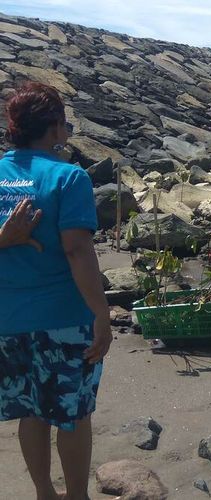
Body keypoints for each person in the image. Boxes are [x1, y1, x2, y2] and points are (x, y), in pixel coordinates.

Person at [0, 82, 112, 500]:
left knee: (30, 410)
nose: (66, 130)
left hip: (8, 320)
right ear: (51, 128)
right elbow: (77, 249)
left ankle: (45, 493)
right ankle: (77, 497)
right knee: (72, 413)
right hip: (64, 318)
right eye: (65, 123)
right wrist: (101, 314)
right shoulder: (68, 177)